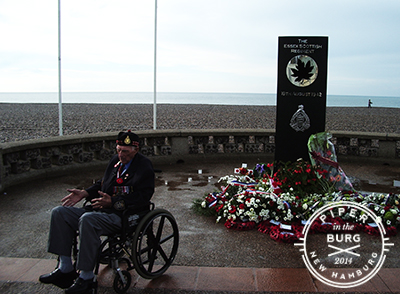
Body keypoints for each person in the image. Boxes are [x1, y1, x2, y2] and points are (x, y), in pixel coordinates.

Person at [39, 130, 155, 293]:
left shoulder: (144, 166)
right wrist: (85, 193)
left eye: (126, 152)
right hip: (100, 210)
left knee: (88, 219)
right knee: (59, 213)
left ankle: (87, 277)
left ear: (136, 150)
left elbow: (143, 197)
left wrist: (113, 202)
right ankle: (65, 268)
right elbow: (104, 183)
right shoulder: (115, 161)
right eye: (119, 150)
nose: (121, 154)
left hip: (122, 216)